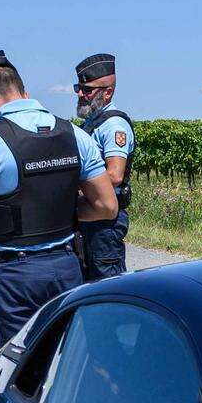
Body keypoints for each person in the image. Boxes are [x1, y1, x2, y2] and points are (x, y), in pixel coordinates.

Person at [0, 51, 115, 344]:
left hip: (15, 274)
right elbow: (106, 206)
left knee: (21, 369)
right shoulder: (75, 134)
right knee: (67, 360)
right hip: (66, 266)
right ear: (24, 92)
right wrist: (63, 209)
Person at [71, 52, 135, 281]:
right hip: (91, 215)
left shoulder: (113, 125)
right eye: (79, 88)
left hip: (105, 221)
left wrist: (78, 188)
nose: (80, 94)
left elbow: (115, 175)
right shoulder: (91, 124)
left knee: (106, 285)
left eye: (87, 90)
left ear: (108, 92)